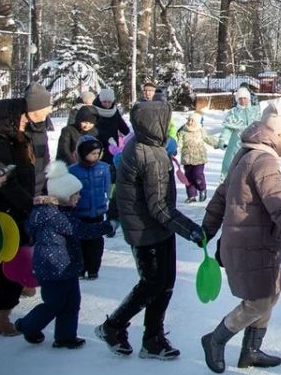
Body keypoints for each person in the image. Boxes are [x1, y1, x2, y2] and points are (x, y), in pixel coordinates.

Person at [97, 100, 205, 359]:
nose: (168, 126)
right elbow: (159, 206)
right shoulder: (149, 154)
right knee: (153, 283)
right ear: (153, 124)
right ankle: (113, 326)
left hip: (156, 227)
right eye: (164, 122)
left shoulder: (141, 144)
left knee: (165, 282)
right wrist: (190, 229)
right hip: (146, 229)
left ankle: (153, 338)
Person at [201, 108, 281, 374]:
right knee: (258, 301)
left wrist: (208, 228)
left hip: (253, 240)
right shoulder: (264, 161)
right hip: (253, 241)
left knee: (270, 294)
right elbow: (278, 206)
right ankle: (216, 338)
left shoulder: (245, 153)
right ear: (275, 133)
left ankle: (251, 350)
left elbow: (221, 196)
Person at [15, 161, 113, 348]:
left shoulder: (60, 212)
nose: (78, 197)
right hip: (53, 268)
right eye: (75, 194)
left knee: (72, 303)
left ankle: (65, 336)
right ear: (63, 195)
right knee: (54, 304)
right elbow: (82, 230)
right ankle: (27, 325)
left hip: (66, 266)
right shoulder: (54, 216)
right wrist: (108, 225)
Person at [0, 88, 50, 336]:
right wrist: (29, 205)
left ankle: (4, 311)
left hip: (25, 206)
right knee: (0, 265)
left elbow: (38, 169)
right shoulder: (0, 142)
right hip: (7, 211)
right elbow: (6, 182)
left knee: (17, 260)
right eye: (46, 109)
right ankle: (0, 315)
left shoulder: (27, 134)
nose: (49, 113)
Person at [68, 136, 112, 280]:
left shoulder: (104, 168)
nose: (96, 155)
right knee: (79, 243)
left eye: (98, 152)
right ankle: (80, 268)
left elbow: (108, 188)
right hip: (79, 213)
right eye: (92, 153)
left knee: (96, 243)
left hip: (98, 212)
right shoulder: (72, 170)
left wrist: (108, 201)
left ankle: (93, 268)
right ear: (81, 153)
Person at [221, 87, 261, 178]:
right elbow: (227, 129)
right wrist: (222, 140)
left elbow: (262, 126)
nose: (242, 100)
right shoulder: (233, 113)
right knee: (230, 164)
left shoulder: (256, 111)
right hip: (236, 143)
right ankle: (227, 186)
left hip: (253, 143)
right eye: (240, 98)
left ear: (248, 98)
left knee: (252, 165)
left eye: (244, 98)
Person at [177, 112, 217, 203]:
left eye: (192, 120)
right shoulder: (183, 131)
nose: (190, 122)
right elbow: (179, 143)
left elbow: (208, 138)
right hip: (187, 158)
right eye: (189, 120)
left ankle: (202, 189)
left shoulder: (200, 130)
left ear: (197, 122)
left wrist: (218, 144)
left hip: (199, 157)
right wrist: (176, 150)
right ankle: (191, 196)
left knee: (197, 175)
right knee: (188, 177)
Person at [93, 88, 130, 178]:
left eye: (109, 102)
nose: (107, 104)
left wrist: (128, 134)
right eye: (104, 102)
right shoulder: (94, 111)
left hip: (112, 145)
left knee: (112, 169)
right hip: (98, 143)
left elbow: (122, 125)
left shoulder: (114, 111)